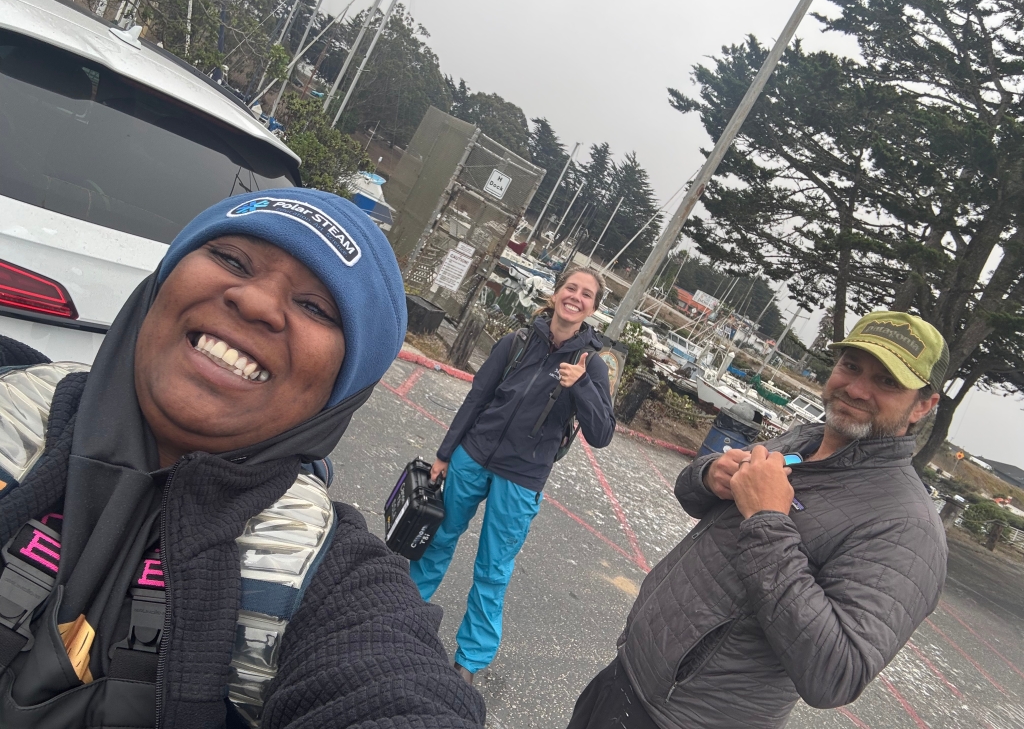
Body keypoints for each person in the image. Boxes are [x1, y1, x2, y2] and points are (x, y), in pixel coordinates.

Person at [0, 189, 486, 728]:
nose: (255, 303)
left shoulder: (332, 578)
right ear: (161, 283)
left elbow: (403, 699)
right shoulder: (11, 396)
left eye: (314, 307)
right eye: (232, 260)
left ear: (342, 392)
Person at [567, 310, 950, 729]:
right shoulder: (802, 438)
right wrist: (708, 474)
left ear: (923, 406)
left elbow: (834, 675)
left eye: (887, 381)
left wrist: (767, 518)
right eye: (851, 366)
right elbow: (691, 497)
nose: (856, 388)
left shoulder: (909, 526)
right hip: (627, 672)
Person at [410, 268, 616, 685]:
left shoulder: (591, 365)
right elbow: (478, 398)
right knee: (436, 540)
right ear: (557, 293)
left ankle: (468, 661)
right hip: (473, 457)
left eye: (586, 294)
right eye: (570, 288)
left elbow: (602, 434)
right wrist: (445, 454)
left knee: (493, 568)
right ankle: (403, 614)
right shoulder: (517, 342)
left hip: (522, 477)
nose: (576, 297)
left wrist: (582, 388)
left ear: (593, 308)